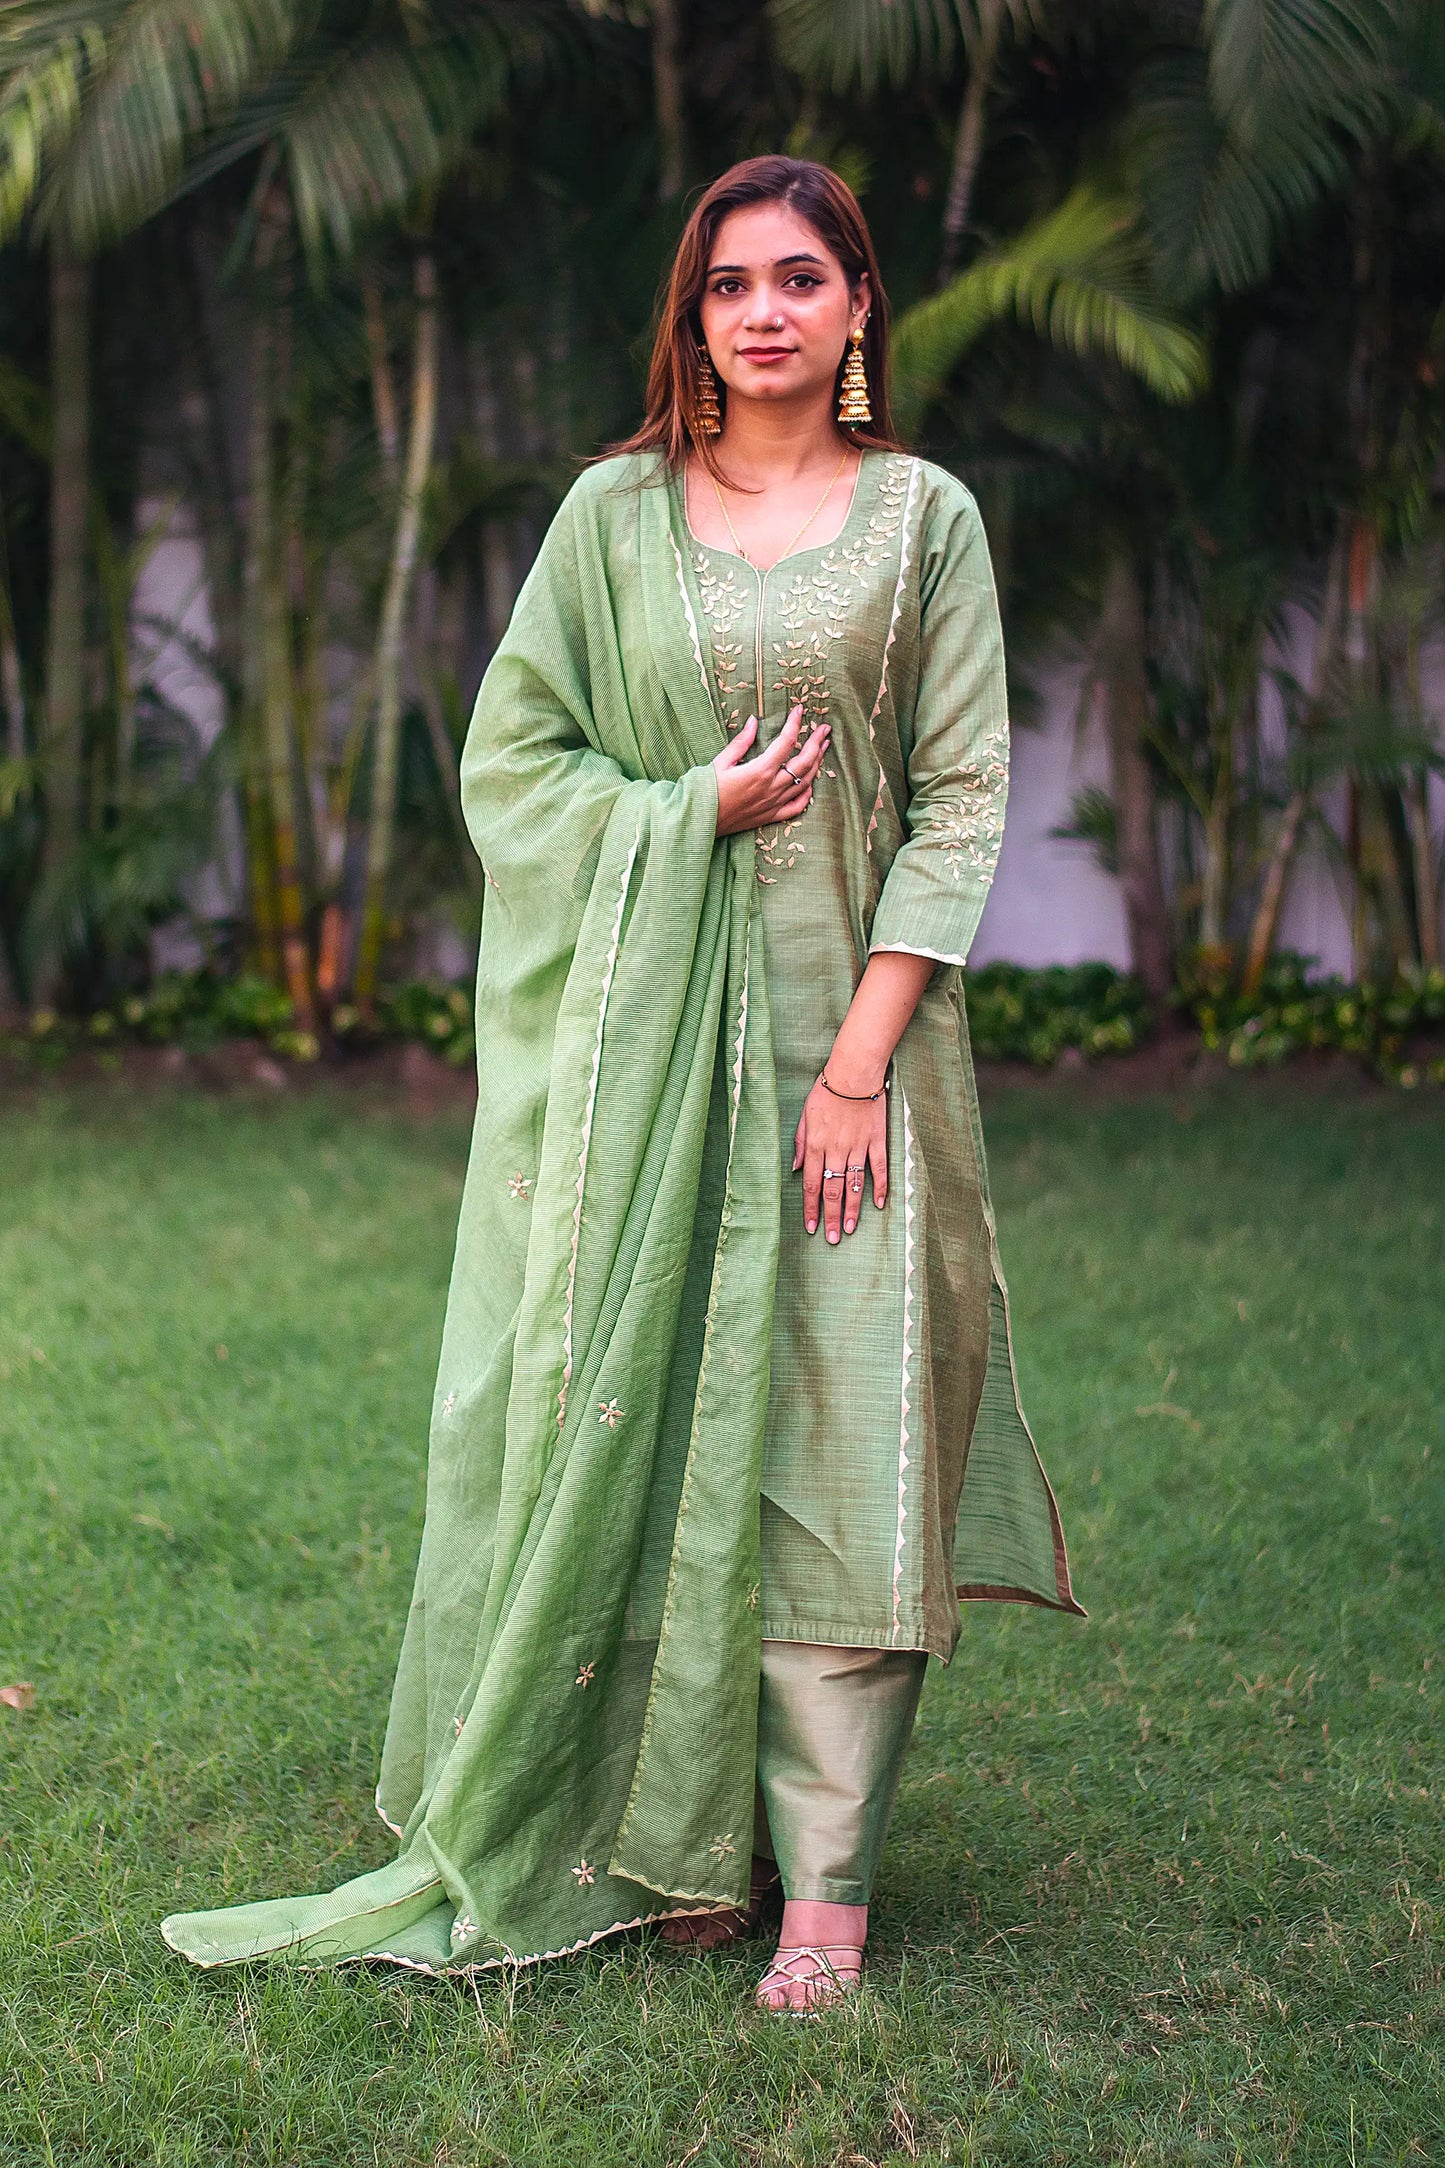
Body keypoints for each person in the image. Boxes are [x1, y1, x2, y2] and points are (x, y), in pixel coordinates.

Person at [162, 154, 1080, 2016]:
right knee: (645, 1410)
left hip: (859, 1050)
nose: (762, 311)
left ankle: (823, 1886)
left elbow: (965, 794)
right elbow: (513, 764)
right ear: (692, 316)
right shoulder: (607, 520)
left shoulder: (926, 523)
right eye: (728, 283)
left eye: (800, 278)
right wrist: (689, 813)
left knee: (842, 1434)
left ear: (855, 309)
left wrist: (853, 1064)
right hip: (644, 1062)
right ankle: (666, 1836)